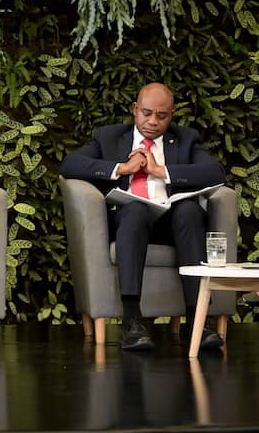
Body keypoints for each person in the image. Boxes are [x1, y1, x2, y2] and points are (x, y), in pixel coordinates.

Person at [61, 82, 226, 351]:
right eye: (146, 113)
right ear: (134, 110)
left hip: (170, 222)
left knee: (189, 211)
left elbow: (215, 172)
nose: (152, 122)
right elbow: (70, 164)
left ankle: (196, 322)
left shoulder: (186, 139)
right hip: (129, 222)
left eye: (161, 116)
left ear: (171, 116)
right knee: (135, 209)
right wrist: (121, 168)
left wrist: (161, 171)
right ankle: (132, 321)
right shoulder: (109, 137)